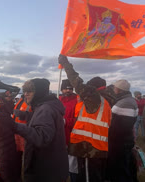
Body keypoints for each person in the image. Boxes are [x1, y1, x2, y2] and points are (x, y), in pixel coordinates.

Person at [58, 54, 112, 182]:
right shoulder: (105, 101)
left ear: (94, 90)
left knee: (89, 178)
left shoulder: (95, 99)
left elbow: (76, 81)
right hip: (96, 147)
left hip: (89, 148)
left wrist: (65, 64)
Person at [10, 78, 68, 182]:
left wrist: (14, 126)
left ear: (39, 92)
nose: (26, 94)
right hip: (51, 167)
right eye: (25, 91)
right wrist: (26, 115)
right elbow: (42, 122)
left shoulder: (45, 108)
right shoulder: (46, 106)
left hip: (45, 170)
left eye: (30, 91)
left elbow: (42, 137)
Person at [108, 79, 138, 182]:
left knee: (120, 169)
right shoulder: (129, 100)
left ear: (119, 89)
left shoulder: (124, 103)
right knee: (124, 166)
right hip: (125, 140)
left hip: (120, 142)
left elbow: (119, 126)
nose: (113, 89)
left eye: (114, 87)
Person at [59, 79, 79, 181]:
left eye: (70, 88)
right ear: (62, 89)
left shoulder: (77, 101)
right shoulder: (58, 100)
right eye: (65, 88)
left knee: (72, 164)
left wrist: (65, 121)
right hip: (60, 136)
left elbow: (79, 120)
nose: (68, 90)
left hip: (73, 136)